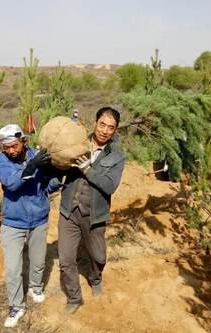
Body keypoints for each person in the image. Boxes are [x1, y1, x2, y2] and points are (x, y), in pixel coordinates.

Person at [0, 124, 61, 328]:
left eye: (14, 146)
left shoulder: (37, 155)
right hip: (13, 222)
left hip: (38, 218)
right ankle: (16, 306)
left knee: (38, 259)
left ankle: (36, 287)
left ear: (23, 141)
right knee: (13, 268)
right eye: (7, 147)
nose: (11, 151)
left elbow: (45, 185)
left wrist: (55, 180)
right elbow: (12, 184)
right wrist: (32, 166)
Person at [58, 106, 125, 314]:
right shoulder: (77, 142)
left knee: (99, 257)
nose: (105, 130)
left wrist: (88, 169)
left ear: (115, 131)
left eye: (110, 127)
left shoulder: (117, 156)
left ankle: (95, 278)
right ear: (95, 123)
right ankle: (74, 297)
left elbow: (109, 185)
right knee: (66, 259)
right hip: (69, 210)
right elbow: (59, 166)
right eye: (102, 124)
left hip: (94, 215)